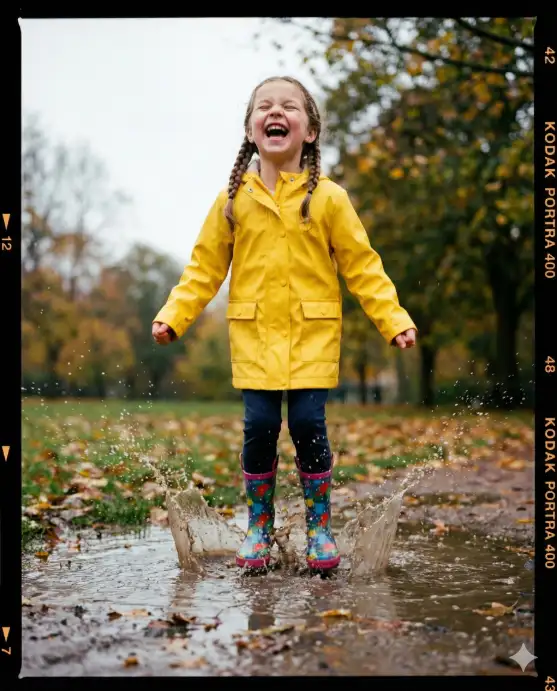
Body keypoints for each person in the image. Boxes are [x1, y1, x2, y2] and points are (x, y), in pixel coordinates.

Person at [152, 76, 417, 573]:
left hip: (312, 338)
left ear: (309, 130)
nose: (276, 112)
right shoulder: (232, 202)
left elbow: (363, 265)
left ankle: (319, 526)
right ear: (251, 130)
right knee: (259, 426)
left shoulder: (329, 199)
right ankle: (259, 525)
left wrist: (392, 319)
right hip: (254, 338)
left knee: (307, 425)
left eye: (289, 107)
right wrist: (174, 315)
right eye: (265, 107)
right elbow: (204, 269)